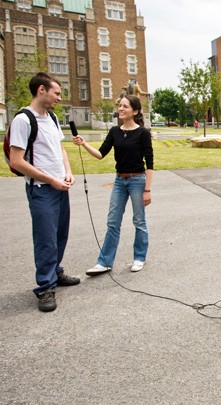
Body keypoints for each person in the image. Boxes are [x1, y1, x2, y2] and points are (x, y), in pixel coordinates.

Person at [8, 72, 80, 312]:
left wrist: (68, 172)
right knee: (45, 239)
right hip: (42, 189)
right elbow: (17, 161)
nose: (59, 98)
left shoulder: (52, 118)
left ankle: (55, 272)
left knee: (60, 234)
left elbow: (60, 149)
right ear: (41, 90)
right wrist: (51, 179)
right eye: (56, 93)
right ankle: (45, 287)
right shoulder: (24, 119)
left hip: (61, 186)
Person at [72, 95, 154, 275]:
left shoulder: (143, 133)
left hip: (137, 180)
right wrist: (84, 143)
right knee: (112, 222)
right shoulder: (115, 131)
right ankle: (104, 262)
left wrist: (147, 190)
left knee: (139, 221)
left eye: (125, 106)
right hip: (119, 181)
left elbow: (150, 163)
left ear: (135, 111)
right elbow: (101, 154)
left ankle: (139, 257)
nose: (121, 108)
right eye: (120, 106)